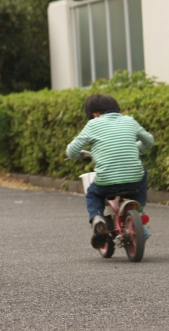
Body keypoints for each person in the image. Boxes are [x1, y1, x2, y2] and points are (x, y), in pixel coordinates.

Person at [66, 94, 154, 248]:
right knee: (142, 171)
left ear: (94, 114)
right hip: (134, 180)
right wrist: (136, 149)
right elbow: (149, 141)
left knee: (93, 193)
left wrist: (74, 156)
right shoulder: (129, 121)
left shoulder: (94, 124)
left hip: (107, 182)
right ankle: (139, 210)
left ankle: (97, 219)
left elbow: (72, 150)